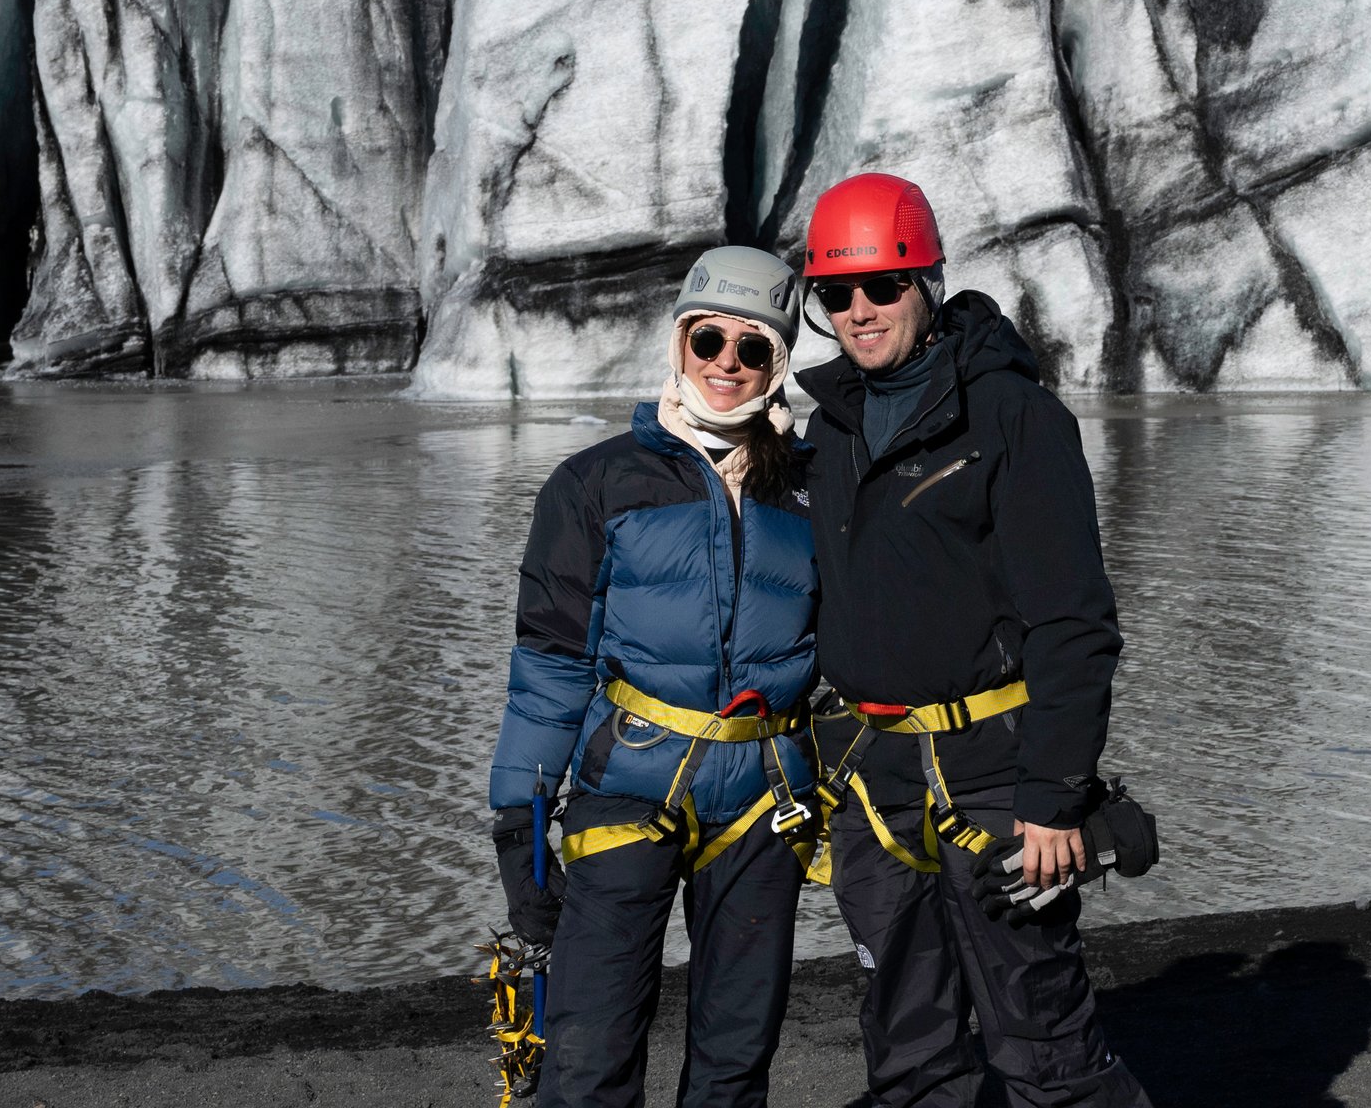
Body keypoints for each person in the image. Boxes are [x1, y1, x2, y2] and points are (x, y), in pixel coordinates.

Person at [795, 172, 1155, 1108]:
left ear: (928, 280)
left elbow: (1075, 622)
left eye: (883, 285)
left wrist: (1054, 795)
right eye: (836, 294)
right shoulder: (827, 427)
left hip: (992, 775)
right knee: (906, 1036)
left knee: (1042, 1034)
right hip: (872, 778)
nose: (860, 311)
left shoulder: (1010, 418)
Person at [489, 246, 819, 1108]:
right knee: (590, 1053)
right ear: (680, 341)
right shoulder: (596, 483)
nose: (726, 365)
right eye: (709, 339)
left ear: (779, 364)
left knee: (735, 1057)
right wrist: (517, 820)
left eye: (755, 350)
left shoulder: (815, 491)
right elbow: (550, 661)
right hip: (628, 785)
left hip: (764, 798)